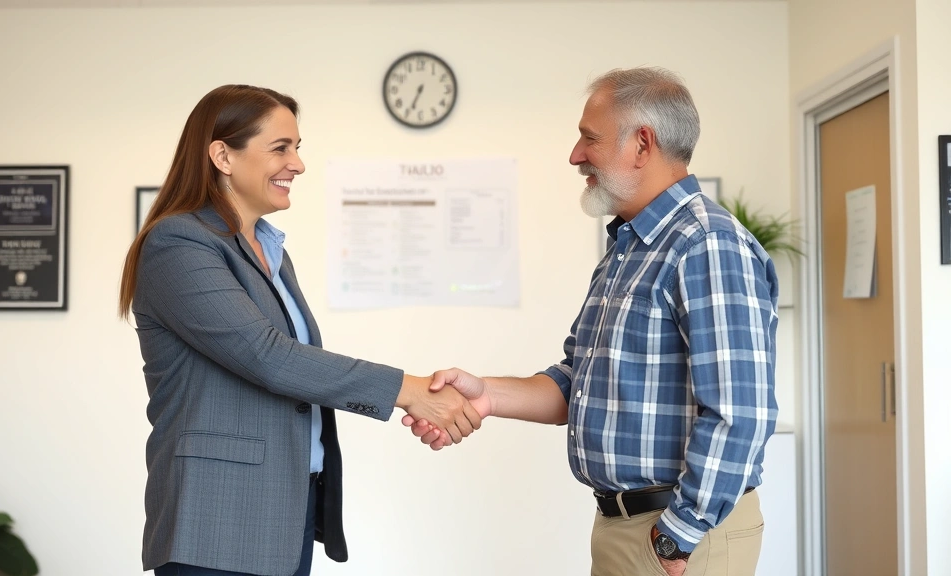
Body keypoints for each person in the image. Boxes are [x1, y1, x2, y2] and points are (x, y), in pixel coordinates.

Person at [406, 67, 779, 576]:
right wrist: (484, 395)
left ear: (641, 144)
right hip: (626, 526)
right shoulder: (628, 248)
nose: (575, 155)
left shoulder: (707, 243)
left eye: (589, 138)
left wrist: (680, 536)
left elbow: (741, 412)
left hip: (683, 537)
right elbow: (579, 381)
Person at [118, 84, 481, 576]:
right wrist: (411, 391)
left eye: (297, 148)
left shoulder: (270, 251)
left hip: (287, 506)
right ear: (223, 155)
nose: (298, 164)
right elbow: (268, 357)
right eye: (280, 148)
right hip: (217, 517)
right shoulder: (179, 243)